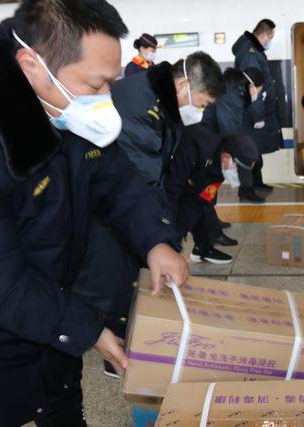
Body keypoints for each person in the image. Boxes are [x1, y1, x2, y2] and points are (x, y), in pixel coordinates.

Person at [0, 0, 188, 425]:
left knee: (62, 408)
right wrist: (87, 329)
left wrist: (156, 241)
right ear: (31, 66)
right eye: (95, 84)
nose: (105, 100)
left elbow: (118, 183)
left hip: (53, 315)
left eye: (111, 84)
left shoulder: (64, 110)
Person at [75, 51, 225, 379]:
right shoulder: (140, 108)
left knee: (134, 265)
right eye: (201, 103)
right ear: (183, 85)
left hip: (119, 200)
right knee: (116, 273)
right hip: (104, 208)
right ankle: (116, 354)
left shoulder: (157, 98)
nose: (200, 112)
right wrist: (160, 236)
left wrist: (164, 231)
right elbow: (141, 178)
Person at [166, 127, 258, 264]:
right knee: (173, 212)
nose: (235, 175)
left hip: (191, 180)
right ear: (226, 156)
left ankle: (203, 250)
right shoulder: (194, 147)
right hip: (167, 172)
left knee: (200, 205)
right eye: (237, 170)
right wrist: (172, 241)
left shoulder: (219, 167)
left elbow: (202, 199)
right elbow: (171, 190)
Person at [232, 18, 283, 194]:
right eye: (271, 37)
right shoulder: (250, 53)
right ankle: (246, 190)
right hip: (251, 112)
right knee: (249, 151)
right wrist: (258, 115)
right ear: (264, 35)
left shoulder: (253, 51)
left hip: (253, 110)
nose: (270, 42)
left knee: (255, 149)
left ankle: (256, 182)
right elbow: (253, 85)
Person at [203, 67, 266, 203]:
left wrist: (254, 99)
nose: (258, 94)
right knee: (212, 177)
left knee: (214, 177)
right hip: (211, 141)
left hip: (216, 140)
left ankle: (207, 209)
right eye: (258, 90)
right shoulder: (231, 95)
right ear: (251, 86)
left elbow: (253, 118)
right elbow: (228, 125)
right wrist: (229, 152)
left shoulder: (236, 91)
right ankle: (204, 207)